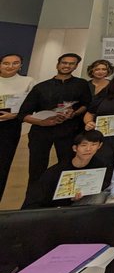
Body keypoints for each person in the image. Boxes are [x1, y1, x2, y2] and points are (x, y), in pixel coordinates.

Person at [20, 53, 92, 204]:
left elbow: (86, 105)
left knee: (67, 166)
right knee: (36, 170)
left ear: (76, 66)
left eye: (71, 64)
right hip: (41, 132)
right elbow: (23, 114)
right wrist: (42, 122)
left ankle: (64, 201)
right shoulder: (41, 87)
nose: (67, 66)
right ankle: (32, 203)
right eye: (64, 63)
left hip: (69, 132)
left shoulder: (81, 84)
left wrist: (74, 113)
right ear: (58, 64)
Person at [23, 130, 111, 208]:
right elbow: (40, 198)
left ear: (99, 146)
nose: (88, 149)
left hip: (79, 204)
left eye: (93, 145)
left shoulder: (100, 166)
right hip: (53, 208)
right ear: (75, 148)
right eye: (84, 145)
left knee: (103, 195)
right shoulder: (57, 171)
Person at [0, 53, 35, 202]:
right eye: (6, 63)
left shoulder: (28, 81)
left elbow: (32, 105)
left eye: (15, 63)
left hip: (9, 126)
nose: (10, 66)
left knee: (2, 164)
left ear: (21, 65)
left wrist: (14, 115)